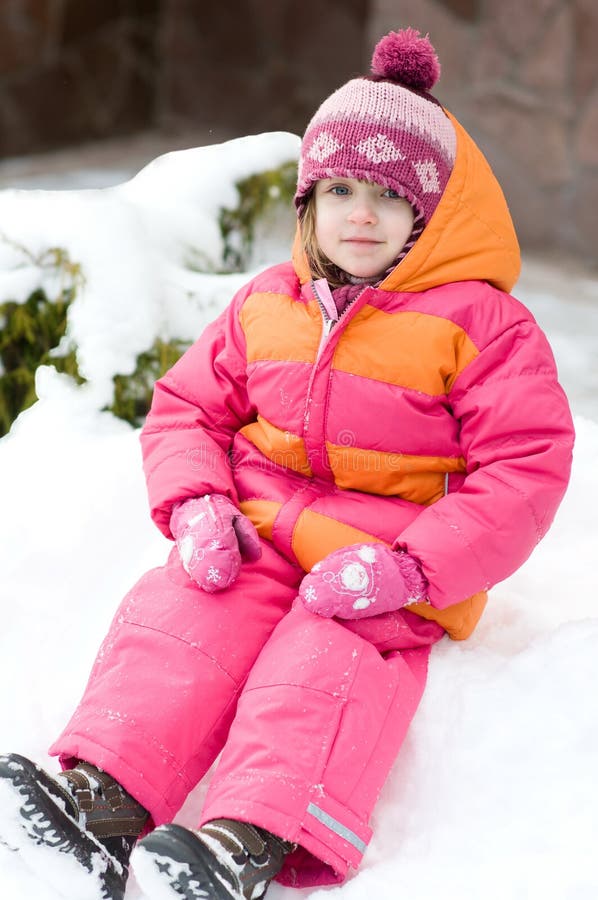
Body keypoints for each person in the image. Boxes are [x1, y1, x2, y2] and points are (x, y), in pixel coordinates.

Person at [0, 27, 574, 900]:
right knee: (183, 623)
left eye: (388, 195)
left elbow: (524, 469)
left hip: (383, 568)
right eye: (340, 188)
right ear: (309, 197)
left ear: (431, 215)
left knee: (323, 670)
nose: (360, 214)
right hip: (259, 534)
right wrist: (197, 504)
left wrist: (413, 568)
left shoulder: (481, 327)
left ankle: (244, 840)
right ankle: (102, 796)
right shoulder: (267, 304)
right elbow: (187, 407)